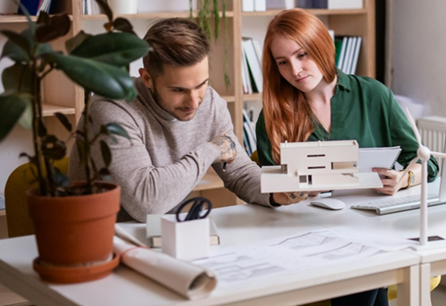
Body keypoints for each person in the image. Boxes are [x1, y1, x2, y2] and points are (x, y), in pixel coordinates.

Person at [255, 8, 438, 306]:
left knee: (365, 266)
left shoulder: (373, 95)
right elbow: (267, 190)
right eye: (283, 62)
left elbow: (426, 161)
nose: (296, 70)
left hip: (373, 227)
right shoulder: (273, 116)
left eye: (302, 55)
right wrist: (293, 192)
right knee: (362, 268)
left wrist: (404, 179)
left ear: (322, 46)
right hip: (308, 236)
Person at [68, 18, 287, 222]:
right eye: (178, 89)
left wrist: (279, 191)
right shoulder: (112, 107)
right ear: (147, 79)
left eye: (201, 84)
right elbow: (145, 204)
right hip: (102, 239)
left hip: (167, 236)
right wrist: (210, 150)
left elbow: (239, 173)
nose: (194, 102)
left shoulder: (210, 102)